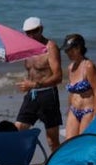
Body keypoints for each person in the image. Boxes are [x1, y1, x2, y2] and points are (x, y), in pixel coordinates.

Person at [14, 17, 63, 153]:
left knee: (52, 140)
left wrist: (35, 84)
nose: (31, 35)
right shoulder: (27, 47)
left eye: (34, 31)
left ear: (41, 29)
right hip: (31, 95)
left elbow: (58, 76)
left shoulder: (50, 47)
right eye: (28, 33)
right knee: (17, 130)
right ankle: (19, 162)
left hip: (48, 95)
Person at [61, 34, 96, 139]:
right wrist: (69, 107)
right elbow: (72, 92)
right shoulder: (71, 67)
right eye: (66, 51)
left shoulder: (88, 66)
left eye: (69, 50)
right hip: (74, 110)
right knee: (69, 143)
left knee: (82, 142)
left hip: (88, 111)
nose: (67, 53)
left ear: (78, 48)